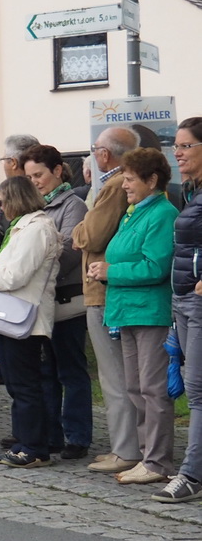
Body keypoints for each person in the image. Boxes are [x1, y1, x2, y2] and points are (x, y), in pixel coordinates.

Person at [92, 147, 178, 486]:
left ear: (151, 180)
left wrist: (111, 271)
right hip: (127, 310)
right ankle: (146, 455)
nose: (124, 185)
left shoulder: (162, 213)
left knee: (153, 390)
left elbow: (156, 266)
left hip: (149, 312)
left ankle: (158, 461)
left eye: (129, 179)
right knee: (135, 387)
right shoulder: (134, 212)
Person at [0, 176, 63, 466]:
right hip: (13, 314)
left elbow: (13, 275)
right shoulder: (26, 227)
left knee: (25, 385)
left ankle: (35, 447)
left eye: (2, 202)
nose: (0, 208)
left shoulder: (36, 229)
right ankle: (25, 441)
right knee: (16, 383)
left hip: (25, 317)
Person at [70, 127, 141, 474]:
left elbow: (90, 234)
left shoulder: (112, 186)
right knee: (121, 376)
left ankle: (126, 449)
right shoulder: (115, 184)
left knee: (115, 377)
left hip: (102, 291)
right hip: (104, 289)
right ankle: (125, 445)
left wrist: (79, 231)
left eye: (95, 149)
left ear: (104, 154)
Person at [19, 144, 91, 460]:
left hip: (66, 298)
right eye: (29, 176)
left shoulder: (71, 205)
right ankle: (50, 434)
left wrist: (32, 266)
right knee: (45, 371)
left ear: (58, 171)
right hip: (40, 300)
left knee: (71, 369)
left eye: (39, 174)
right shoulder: (33, 209)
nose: (35, 181)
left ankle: (77, 436)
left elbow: (69, 252)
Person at [154, 118, 202, 503]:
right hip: (183, 299)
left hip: (199, 301)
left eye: (186, 146)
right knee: (193, 384)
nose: (178, 153)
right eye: (177, 146)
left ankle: (191, 474)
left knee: (198, 390)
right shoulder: (190, 191)